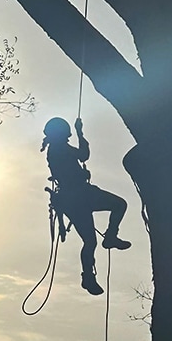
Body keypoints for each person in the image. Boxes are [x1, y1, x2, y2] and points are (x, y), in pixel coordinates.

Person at [40, 116, 131, 295]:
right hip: (80, 195)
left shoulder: (56, 149)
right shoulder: (60, 148)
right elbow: (84, 155)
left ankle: (89, 275)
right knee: (119, 205)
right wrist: (80, 132)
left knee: (90, 241)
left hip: (73, 199)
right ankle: (109, 238)